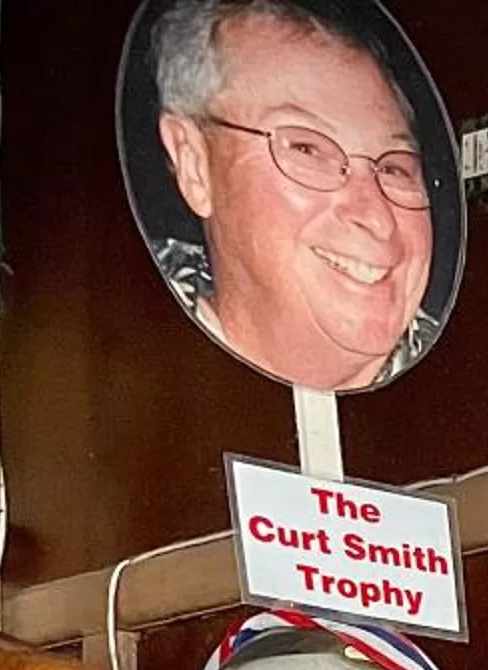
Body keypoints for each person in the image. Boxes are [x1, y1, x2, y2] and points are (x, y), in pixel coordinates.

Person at [145, 0, 440, 391]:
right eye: (306, 149)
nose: (377, 218)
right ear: (195, 165)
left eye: (394, 169)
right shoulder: (100, 388)